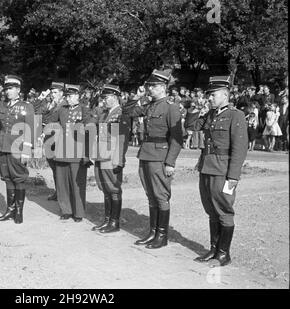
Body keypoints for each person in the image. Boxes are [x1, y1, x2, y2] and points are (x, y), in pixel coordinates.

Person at [123, 69, 183, 249]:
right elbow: (127, 111)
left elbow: (177, 138)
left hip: (160, 156)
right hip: (146, 154)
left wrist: (170, 162)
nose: (150, 89)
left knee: (160, 196)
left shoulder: (171, 107)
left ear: (163, 87)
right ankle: (153, 232)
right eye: (149, 85)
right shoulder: (149, 105)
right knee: (151, 196)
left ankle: (162, 235)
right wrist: (139, 96)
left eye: (154, 86)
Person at [193, 76, 248, 267]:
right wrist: (197, 110)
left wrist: (233, 176)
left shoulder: (236, 115)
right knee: (211, 211)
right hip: (207, 167)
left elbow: (240, 148)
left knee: (224, 210)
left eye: (213, 95)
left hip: (223, 170)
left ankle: (224, 254)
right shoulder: (210, 114)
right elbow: (191, 127)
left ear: (225, 94)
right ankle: (214, 249)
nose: (210, 98)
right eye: (209, 95)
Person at [0, 75, 35, 224]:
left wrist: (27, 150)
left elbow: (31, 128)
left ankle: (19, 211)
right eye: (6, 89)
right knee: (7, 178)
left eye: (11, 88)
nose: (8, 92)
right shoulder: (0, 105)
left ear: (18, 90)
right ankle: (10, 210)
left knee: (18, 178)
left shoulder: (26, 106)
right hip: (2, 147)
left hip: (17, 147)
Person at [43, 84, 96, 222]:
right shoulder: (61, 109)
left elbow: (90, 127)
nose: (69, 98)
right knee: (62, 183)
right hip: (62, 150)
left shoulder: (84, 109)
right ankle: (66, 210)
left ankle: (78, 212)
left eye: (71, 96)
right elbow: (49, 122)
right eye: (67, 96)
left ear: (78, 96)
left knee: (77, 184)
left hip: (77, 151)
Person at [91, 84, 130, 233]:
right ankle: (107, 220)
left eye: (106, 98)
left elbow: (122, 140)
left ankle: (114, 222)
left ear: (114, 98)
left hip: (111, 157)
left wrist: (119, 160)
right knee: (105, 189)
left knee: (113, 189)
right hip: (101, 155)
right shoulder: (104, 114)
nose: (104, 101)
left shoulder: (120, 114)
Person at [33, 81, 67, 201]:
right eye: (52, 92)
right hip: (49, 140)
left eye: (55, 92)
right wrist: (41, 98)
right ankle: (58, 192)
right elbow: (36, 111)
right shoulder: (48, 104)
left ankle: (63, 193)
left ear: (62, 93)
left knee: (60, 168)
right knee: (54, 167)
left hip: (58, 139)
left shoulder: (65, 104)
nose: (53, 94)